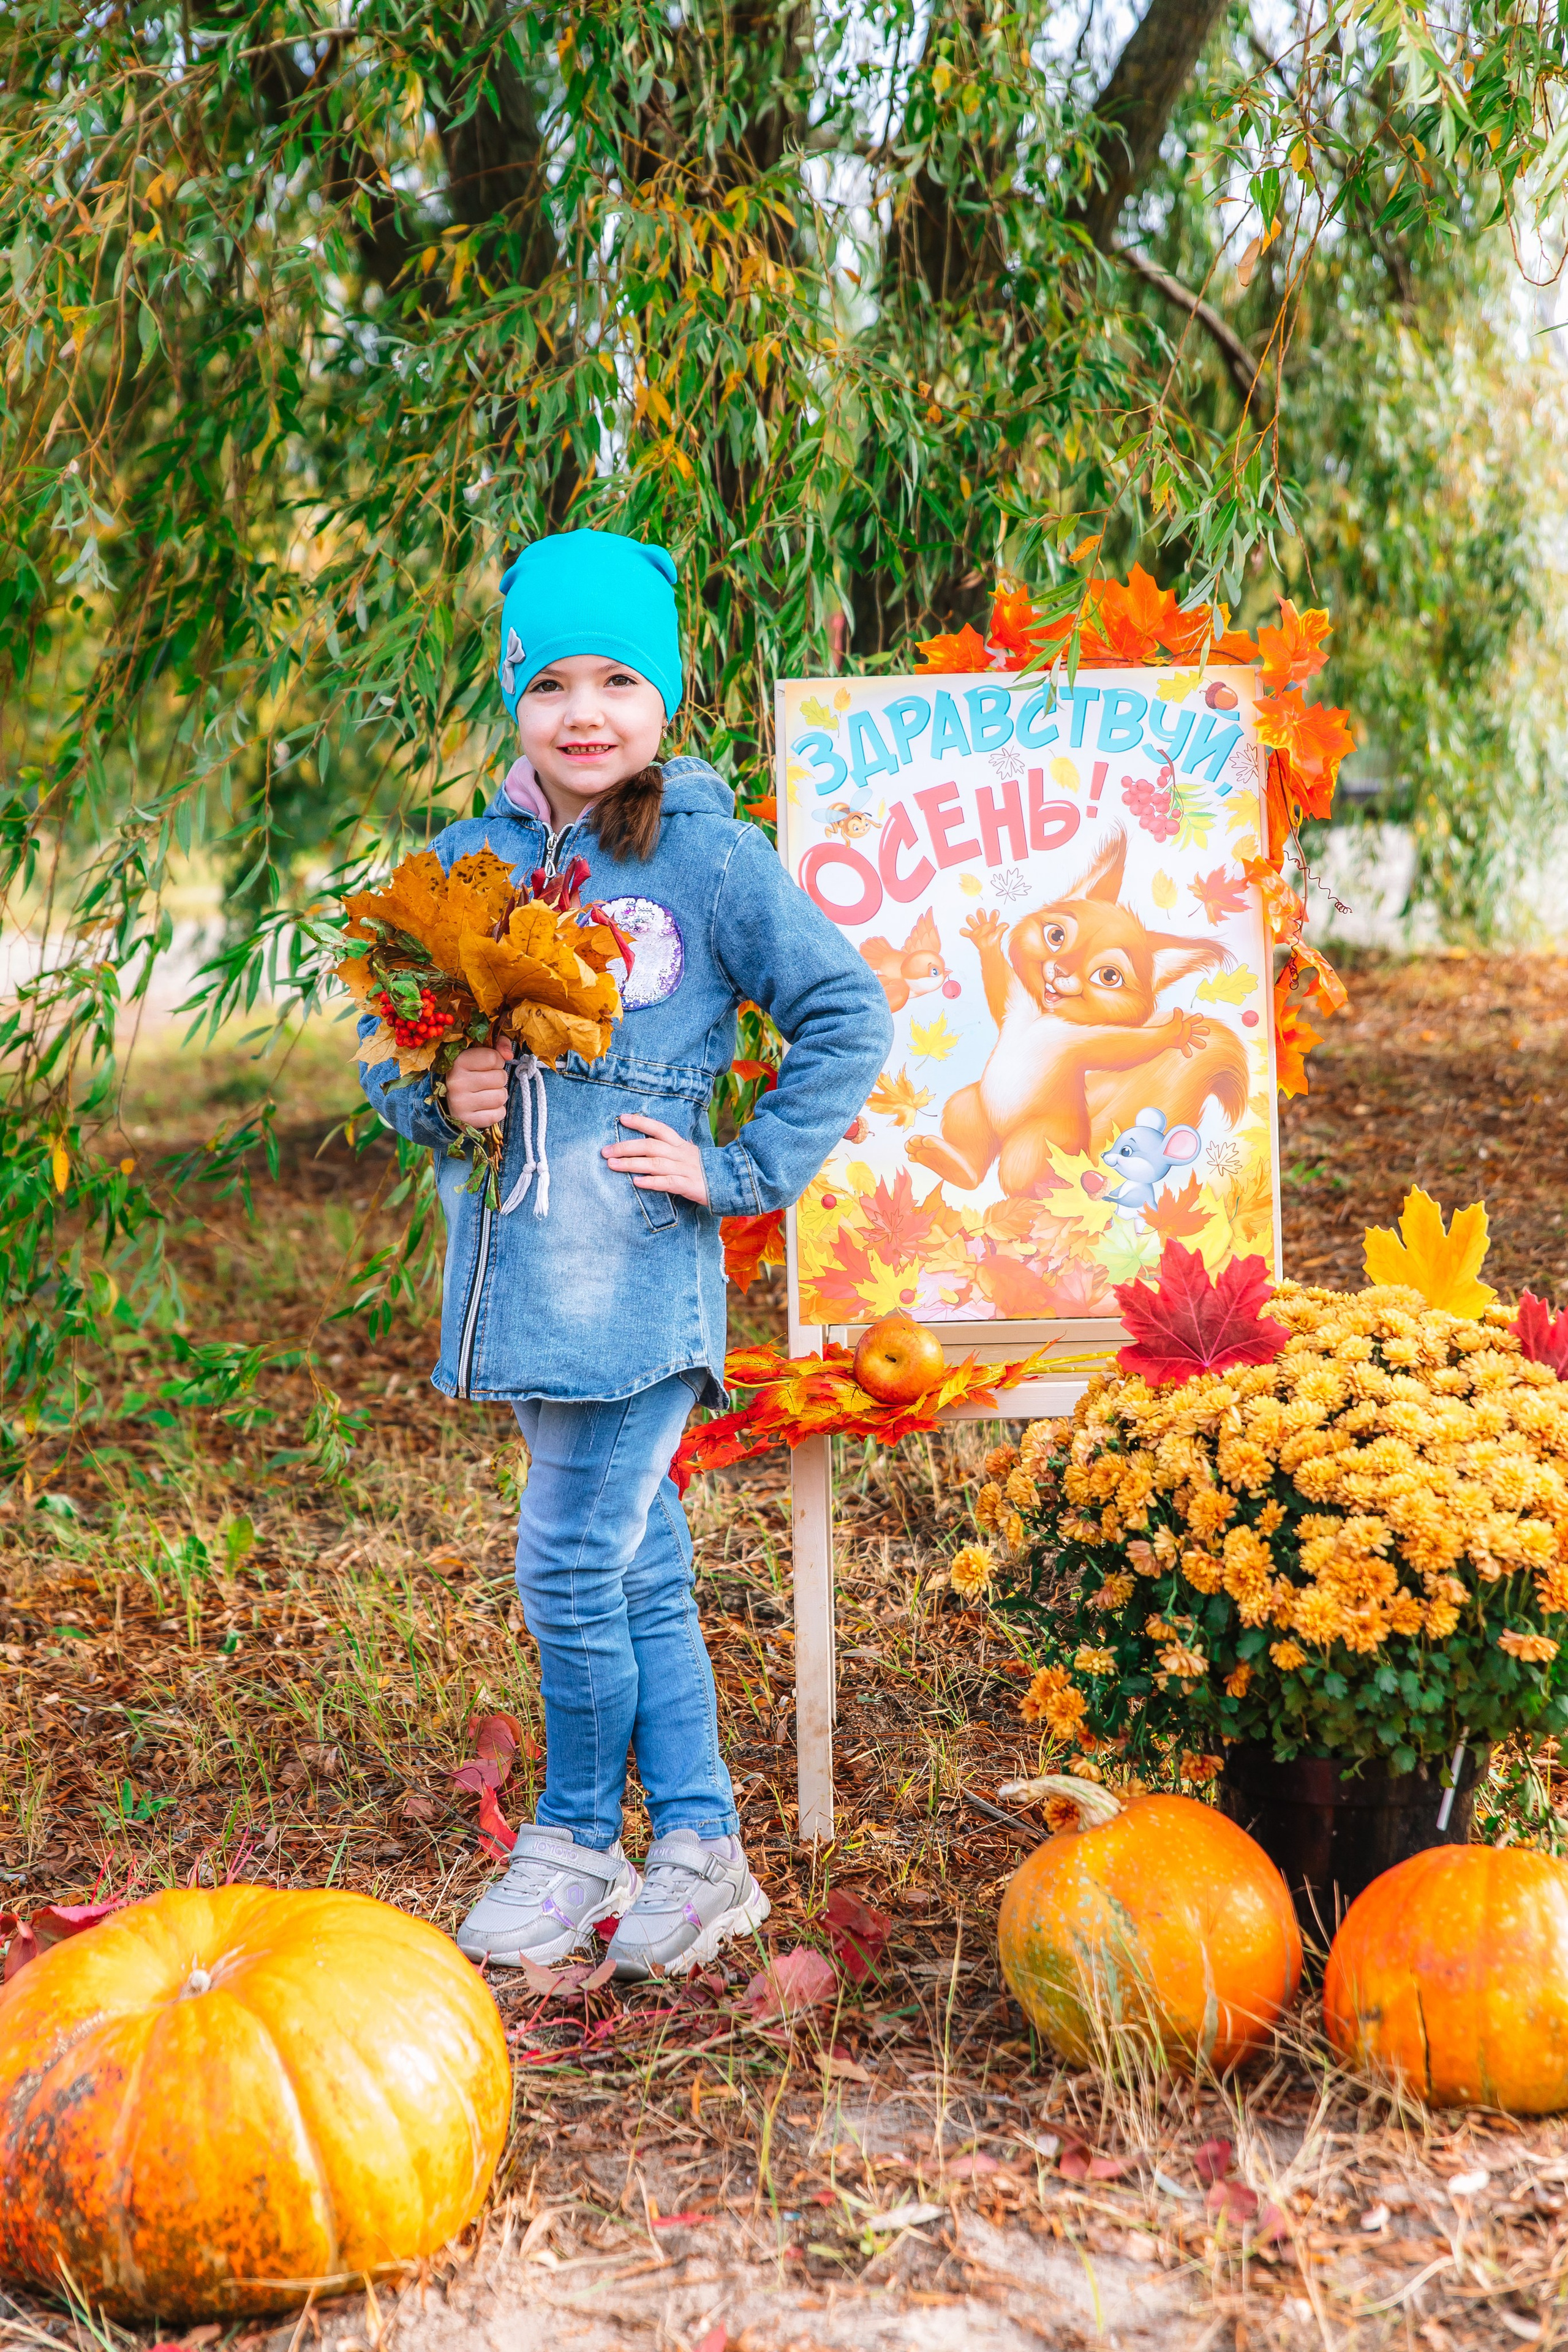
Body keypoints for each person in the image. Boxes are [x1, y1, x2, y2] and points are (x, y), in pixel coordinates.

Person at [356, 529, 891, 1979]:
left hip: (642, 1275)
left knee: (569, 1566)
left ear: (666, 698)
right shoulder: (464, 865)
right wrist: (436, 1090)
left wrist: (736, 1171)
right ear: (514, 694)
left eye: (618, 681)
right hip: (517, 1275)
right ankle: (705, 1847)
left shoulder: (708, 861)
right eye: (552, 684)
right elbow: (387, 1037)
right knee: (639, 1561)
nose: (583, 713)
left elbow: (845, 1014)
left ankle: (580, 1834)